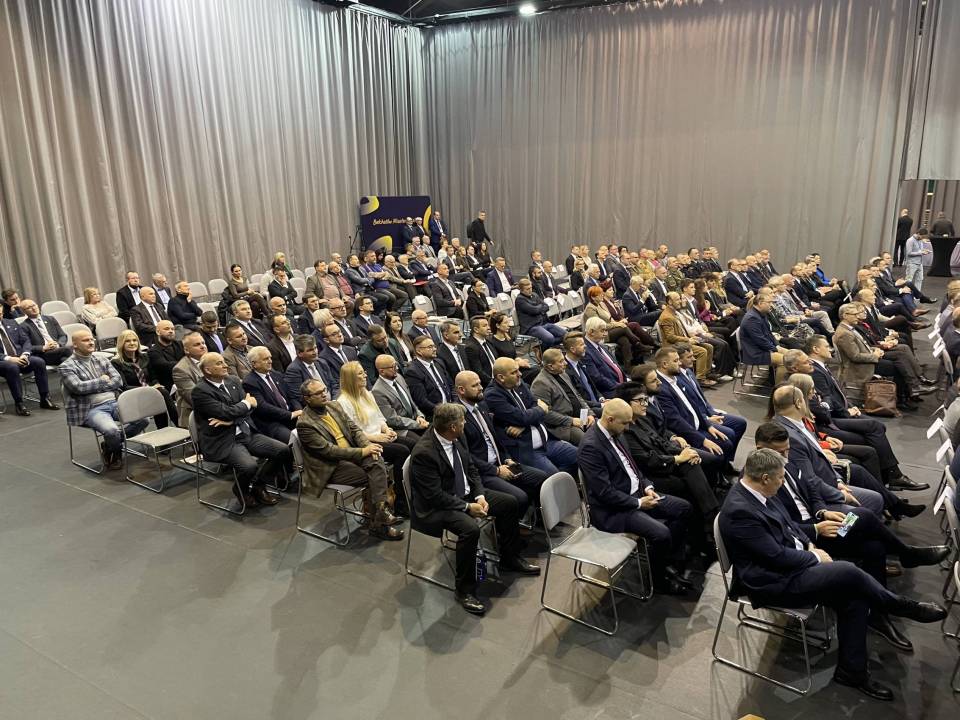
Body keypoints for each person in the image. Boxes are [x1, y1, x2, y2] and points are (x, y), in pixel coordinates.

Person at [719, 447, 947, 701]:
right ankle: (900, 606)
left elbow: (789, 525)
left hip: (800, 553)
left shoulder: (761, 490)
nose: (783, 482)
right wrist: (815, 556)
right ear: (765, 478)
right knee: (847, 571)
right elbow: (776, 557)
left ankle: (852, 671)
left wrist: (810, 541)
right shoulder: (741, 512)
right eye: (780, 478)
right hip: (772, 581)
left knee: (857, 588)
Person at [409, 403, 539, 615]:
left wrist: (479, 495)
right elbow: (434, 496)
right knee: (470, 529)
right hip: (437, 506)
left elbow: (470, 468)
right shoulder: (424, 453)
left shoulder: (456, 437)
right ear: (452, 427)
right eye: (462, 422)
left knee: (509, 503)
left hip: (465, 493)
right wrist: (467, 507)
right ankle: (464, 590)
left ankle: (510, 558)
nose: (465, 424)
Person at [578, 399, 693, 595]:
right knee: (661, 533)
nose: (628, 427)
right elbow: (604, 493)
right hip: (613, 510)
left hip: (637, 494)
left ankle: (667, 563)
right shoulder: (591, 447)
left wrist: (647, 486)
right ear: (610, 419)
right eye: (625, 423)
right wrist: (638, 503)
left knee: (683, 508)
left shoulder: (617, 432)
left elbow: (633, 468)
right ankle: (658, 580)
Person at [769, 384, 921, 521]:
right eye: (805, 398)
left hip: (828, 478)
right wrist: (840, 495)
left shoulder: (795, 423)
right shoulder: (788, 434)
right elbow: (809, 480)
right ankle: (852, 532)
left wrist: (838, 481)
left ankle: (885, 509)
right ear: (798, 403)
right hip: (821, 497)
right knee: (871, 500)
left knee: (869, 460)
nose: (811, 399)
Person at [803, 336, 924, 491]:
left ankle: (889, 477)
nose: (830, 349)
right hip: (832, 419)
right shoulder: (815, 372)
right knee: (874, 428)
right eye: (826, 346)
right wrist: (846, 412)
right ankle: (893, 475)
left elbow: (837, 395)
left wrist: (850, 407)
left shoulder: (821, 368)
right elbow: (828, 401)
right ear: (816, 349)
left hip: (840, 412)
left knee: (877, 428)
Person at [614, 382, 719, 553]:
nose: (645, 404)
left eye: (645, 399)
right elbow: (647, 461)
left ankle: (706, 525)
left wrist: (685, 452)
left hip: (663, 464)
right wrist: (678, 458)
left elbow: (660, 442)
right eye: (640, 400)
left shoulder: (642, 419)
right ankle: (709, 521)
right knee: (688, 483)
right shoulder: (624, 430)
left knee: (693, 464)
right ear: (626, 404)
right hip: (649, 476)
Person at [191, 352, 291, 508]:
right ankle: (241, 490)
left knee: (283, 450)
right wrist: (244, 405)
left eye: (224, 361)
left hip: (245, 431)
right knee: (249, 466)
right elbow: (229, 410)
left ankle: (259, 485)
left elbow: (252, 407)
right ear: (208, 370)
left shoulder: (233, 380)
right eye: (219, 363)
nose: (225, 365)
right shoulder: (200, 391)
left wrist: (232, 419)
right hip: (223, 440)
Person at [59, 328, 147, 468]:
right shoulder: (66, 366)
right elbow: (78, 388)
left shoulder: (102, 359)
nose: (91, 342)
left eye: (92, 339)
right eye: (85, 340)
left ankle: (110, 444)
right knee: (111, 431)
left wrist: (96, 385)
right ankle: (115, 453)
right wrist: (102, 381)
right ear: (75, 344)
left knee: (143, 419)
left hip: (114, 402)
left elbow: (118, 381)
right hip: (90, 409)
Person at [484, 357, 578, 476]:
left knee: (580, 455)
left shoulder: (518, 383)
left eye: (518, 370)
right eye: (514, 372)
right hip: (528, 448)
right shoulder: (493, 395)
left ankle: (566, 481)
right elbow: (526, 415)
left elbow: (534, 407)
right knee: (554, 476)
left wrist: (525, 424)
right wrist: (538, 411)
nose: (520, 374)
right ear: (501, 377)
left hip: (547, 441)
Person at [111, 329, 177, 428]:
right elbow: (124, 386)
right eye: (127, 341)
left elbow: (153, 377)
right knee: (160, 393)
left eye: (134, 340)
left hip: (151, 391)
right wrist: (148, 389)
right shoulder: (116, 363)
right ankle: (178, 425)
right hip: (133, 395)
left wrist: (155, 385)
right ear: (121, 344)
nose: (132, 343)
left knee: (160, 392)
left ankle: (166, 428)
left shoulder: (145, 357)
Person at [529, 348, 594, 444]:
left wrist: (589, 413)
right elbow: (545, 414)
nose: (565, 363)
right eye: (561, 361)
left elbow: (577, 396)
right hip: (563, 426)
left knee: (603, 430)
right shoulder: (540, 383)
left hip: (580, 417)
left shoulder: (563, 374)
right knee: (589, 442)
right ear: (551, 366)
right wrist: (571, 420)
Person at [241, 346, 302, 443]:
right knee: (295, 440)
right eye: (265, 359)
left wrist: (299, 411)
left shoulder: (276, 375)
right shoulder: (249, 382)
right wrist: (290, 414)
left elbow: (291, 396)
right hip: (272, 422)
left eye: (270, 358)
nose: (270, 361)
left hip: (291, 416)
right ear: (254, 364)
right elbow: (263, 407)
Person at [0, 316, 58, 416]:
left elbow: (25, 341)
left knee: (39, 362)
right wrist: (9, 358)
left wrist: (25, 354)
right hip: (2, 361)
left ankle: (45, 398)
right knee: (12, 367)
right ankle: (19, 403)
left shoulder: (11, 322)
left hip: (20, 356)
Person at [372, 354, 428, 438]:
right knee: (422, 442)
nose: (397, 368)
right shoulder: (378, 391)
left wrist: (419, 416)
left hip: (415, 421)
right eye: (393, 367)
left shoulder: (399, 377)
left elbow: (411, 402)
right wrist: (416, 424)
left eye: (396, 365)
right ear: (382, 371)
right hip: (401, 429)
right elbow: (392, 419)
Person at [404, 334, 453, 417]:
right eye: (430, 347)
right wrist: (443, 411)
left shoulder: (439, 363)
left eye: (434, 346)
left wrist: (454, 405)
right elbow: (421, 401)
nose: (434, 349)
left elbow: (451, 386)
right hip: (436, 414)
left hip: (451, 408)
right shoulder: (412, 371)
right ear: (419, 351)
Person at [283, 334, 336, 407]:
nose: (315, 352)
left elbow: (334, 385)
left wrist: (334, 401)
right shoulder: (293, 370)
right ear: (299, 353)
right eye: (310, 350)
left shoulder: (322, 362)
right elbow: (299, 397)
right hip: (315, 408)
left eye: (315, 348)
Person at [739, 291, 786, 372]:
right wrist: (775, 349)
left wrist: (777, 346)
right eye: (769, 302)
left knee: (795, 355)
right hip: (756, 353)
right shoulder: (751, 318)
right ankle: (781, 380)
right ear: (760, 303)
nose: (771, 305)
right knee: (787, 361)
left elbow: (769, 334)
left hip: (763, 349)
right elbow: (760, 340)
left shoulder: (761, 314)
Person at [514, 278, 566, 349]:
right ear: (521, 290)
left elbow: (546, 306)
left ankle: (548, 346)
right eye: (527, 289)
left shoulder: (534, 295)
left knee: (565, 335)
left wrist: (538, 308)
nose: (530, 290)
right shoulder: (520, 300)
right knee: (549, 338)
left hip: (543, 323)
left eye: (531, 288)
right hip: (531, 327)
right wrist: (539, 307)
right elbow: (534, 310)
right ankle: (544, 349)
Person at [18, 298, 72, 365]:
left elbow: (62, 335)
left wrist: (58, 344)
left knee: (64, 360)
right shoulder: (23, 326)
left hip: (58, 350)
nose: (33, 308)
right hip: (43, 354)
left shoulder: (50, 319)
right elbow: (26, 346)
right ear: (24, 311)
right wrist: (43, 347)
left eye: (34, 305)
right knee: (68, 350)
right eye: (29, 308)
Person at [172, 331, 207, 428]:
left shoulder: (212, 359)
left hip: (217, 407)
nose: (202, 346)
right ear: (186, 350)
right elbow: (195, 398)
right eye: (197, 344)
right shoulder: (180, 370)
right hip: (196, 416)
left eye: (203, 343)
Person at [145, 320, 184, 391]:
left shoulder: (180, 344)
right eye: (167, 329)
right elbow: (166, 366)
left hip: (184, 378)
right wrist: (186, 363)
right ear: (158, 332)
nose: (171, 331)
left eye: (172, 329)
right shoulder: (153, 351)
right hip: (168, 385)